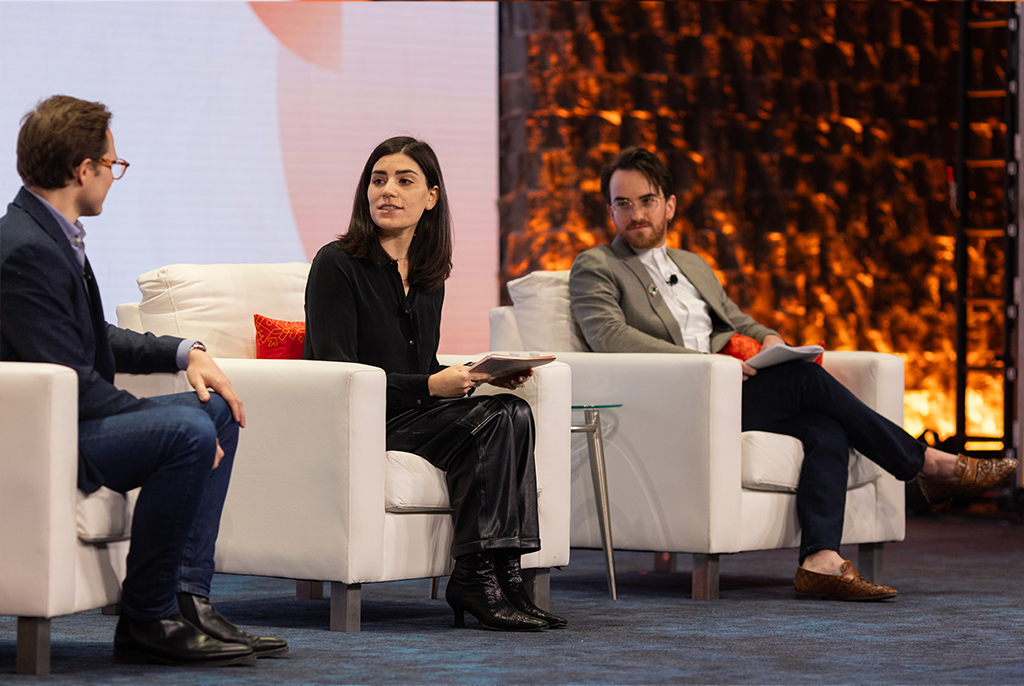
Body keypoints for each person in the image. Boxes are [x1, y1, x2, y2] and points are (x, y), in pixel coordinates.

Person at [568, 146, 1019, 601]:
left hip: (730, 393)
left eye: (645, 200)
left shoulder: (691, 265)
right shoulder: (596, 266)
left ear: (669, 204)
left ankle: (819, 561)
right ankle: (925, 464)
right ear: (610, 211)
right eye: (622, 204)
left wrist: (771, 342)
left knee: (827, 428)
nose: (635, 213)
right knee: (806, 382)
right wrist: (708, 365)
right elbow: (610, 337)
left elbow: (735, 319)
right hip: (681, 399)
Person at [0, 96, 288, 664]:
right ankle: (147, 618)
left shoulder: (51, 233)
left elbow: (91, 336)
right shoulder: (23, 250)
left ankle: (188, 601)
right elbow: (74, 382)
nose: (114, 175)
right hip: (43, 437)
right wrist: (167, 420)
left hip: (70, 421)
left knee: (216, 412)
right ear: (83, 170)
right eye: (113, 164)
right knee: (186, 429)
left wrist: (185, 352)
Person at [304, 136, 565, 631]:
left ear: (431, 196)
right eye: (378, 180)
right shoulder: (336, 263)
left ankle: (506, 575)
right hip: (358, 420)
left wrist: (483, 375)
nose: (387, 191)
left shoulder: (428, 274)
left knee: (512, 410)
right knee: (493, 420)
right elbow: (338, 371)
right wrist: (431, 385)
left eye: (404, 181)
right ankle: (476, 578)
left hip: (408, 413)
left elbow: (421, 361)